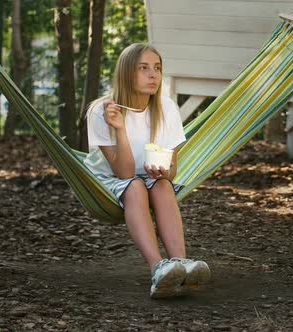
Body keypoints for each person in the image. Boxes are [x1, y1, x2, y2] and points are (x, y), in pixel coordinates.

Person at [83, 43, 211, 299]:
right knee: (135, 185)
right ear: (126, 73)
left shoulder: (167, 109)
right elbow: (124, 172)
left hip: (147, 178)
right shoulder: (102, 110)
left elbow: (172, 171)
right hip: (108, 180)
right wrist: (119, 127)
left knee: (163, 185)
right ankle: (157, 268)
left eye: (157, 68)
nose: (153, 75)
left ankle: (179, 264)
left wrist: (163, 173)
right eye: (144, 68)